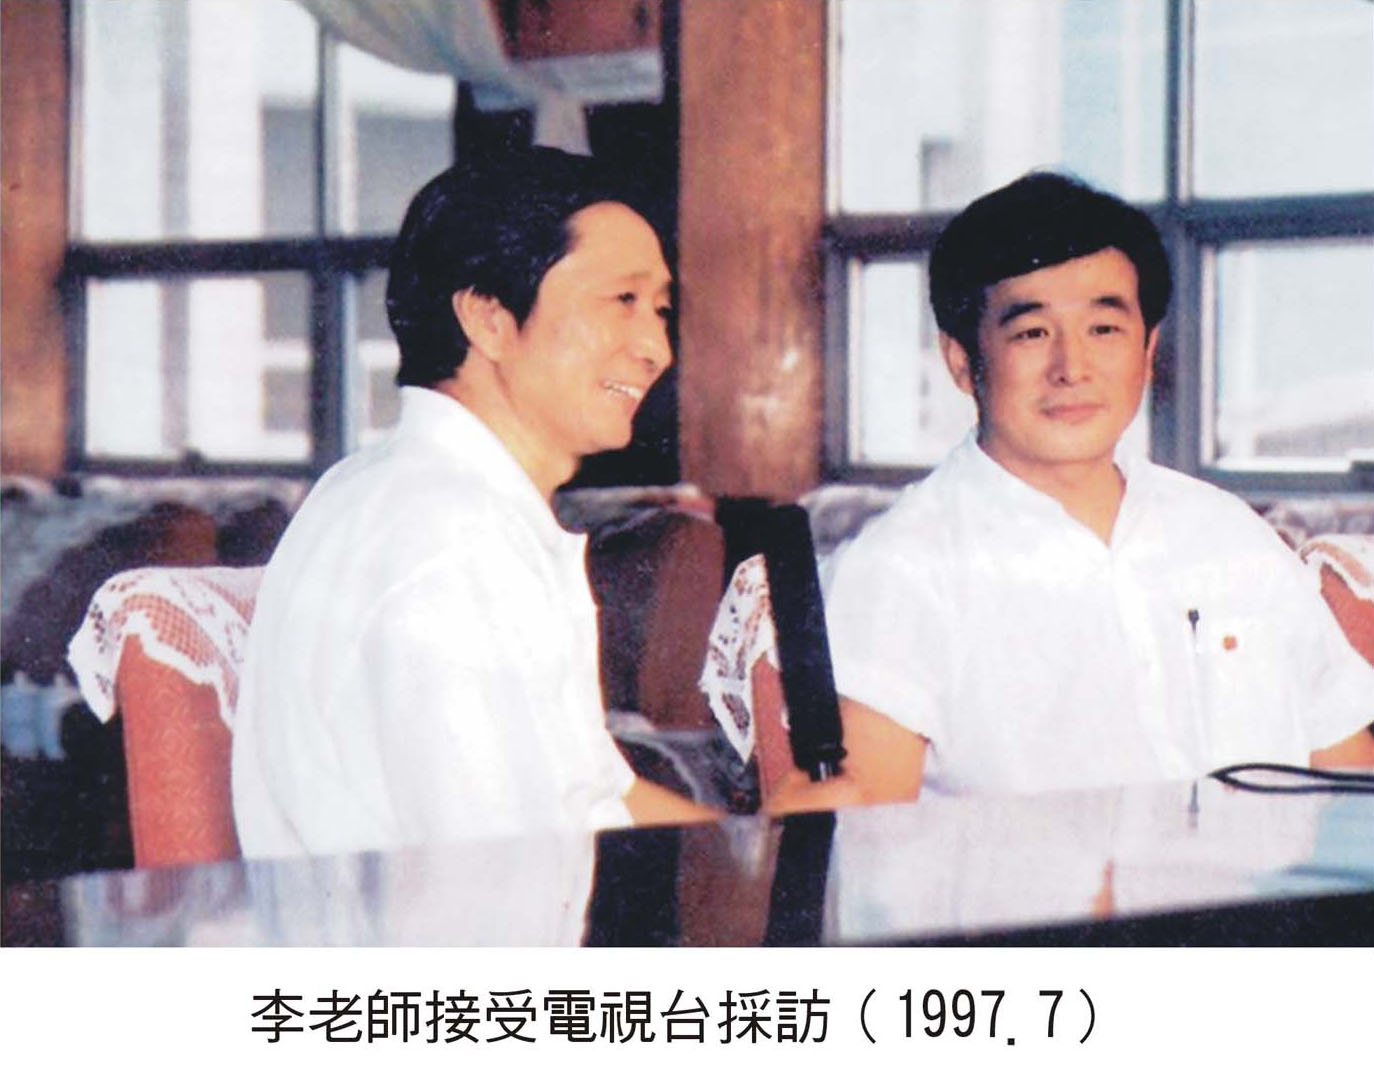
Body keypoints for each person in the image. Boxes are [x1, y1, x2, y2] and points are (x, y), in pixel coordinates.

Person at [820, 171, 1374, 801]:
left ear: (1148, 350)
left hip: (1271, 871)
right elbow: (870, 839)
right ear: (961, 362)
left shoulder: (1230, 534)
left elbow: (1351, 781)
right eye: (1031, 333)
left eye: (1104, 329)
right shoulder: (899, 569)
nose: (1072, 368)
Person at [232, 148, 715, 858]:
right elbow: (507, 873)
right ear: (489, 319)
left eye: (661, 309)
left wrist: (762, 853)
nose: (656, 349)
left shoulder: (429, 497)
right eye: (623, 301)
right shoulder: (446, 537)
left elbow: (592, 795)